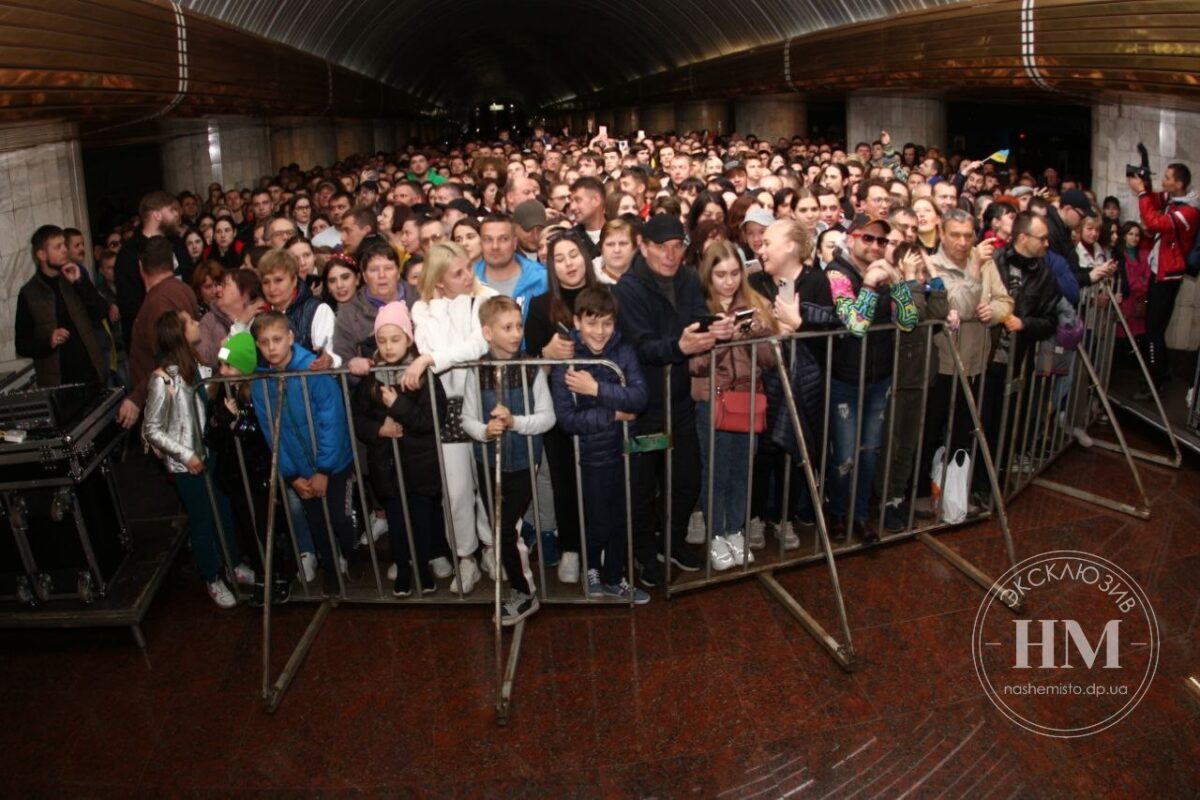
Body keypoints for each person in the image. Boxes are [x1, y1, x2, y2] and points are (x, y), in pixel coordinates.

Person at [613, 214, 734, 587]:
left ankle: (673, 539)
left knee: (686, 478)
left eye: (678, 246)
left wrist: (717, 325)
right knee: (642, 487)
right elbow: (638, 343)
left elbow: (696, 319)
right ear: (644, 246)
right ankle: (646, 554)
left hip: (679, 400)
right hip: (643, 406)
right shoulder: (627, 288)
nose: (671, 254)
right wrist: (677, 346)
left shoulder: (686, 279)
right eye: (662, 247)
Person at [143, 309, 253, 608]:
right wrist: (186, 454)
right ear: (178, 333)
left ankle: (233, 563)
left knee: (224, 509)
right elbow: (151, 428)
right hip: (187, 464)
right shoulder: (162, 379)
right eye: (190, 322)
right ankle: (212, 577)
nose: (196, 323)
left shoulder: (199, 366)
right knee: (202, 520)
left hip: (212, 454)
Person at [403, 242, 497, 592]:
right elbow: (434, 346)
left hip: (482, 401)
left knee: (487, 483)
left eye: (468, 267)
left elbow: (480, 344)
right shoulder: (423, 309)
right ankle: (466, 557)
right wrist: (434, 354)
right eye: (458, 273)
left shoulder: (485, 298)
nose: (469, 276)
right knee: (456, 490)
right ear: (438, 281)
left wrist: (430, 360)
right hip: (446, 407)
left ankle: (492, 548)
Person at [549, 287, 650, 602]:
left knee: (622, 516)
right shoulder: (567, 361)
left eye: (607, 323)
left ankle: (615, 575)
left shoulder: (623, 351)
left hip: (624, 452)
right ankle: (591, 568)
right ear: (577, 322)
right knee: (596, 518)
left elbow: (639, 397)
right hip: (591, 456)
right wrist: (613, 414)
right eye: (592, 323)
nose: (600, 332)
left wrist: (596, 389)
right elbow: (567, 419)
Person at [825, 214, 919, 541]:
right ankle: (836, 513)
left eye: (882, 240)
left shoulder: (887, 273)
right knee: (845, 457)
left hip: (879, 379)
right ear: (851, 237)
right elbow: (855, 324)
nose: (876, 246)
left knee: (869, 453)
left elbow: (908, 321)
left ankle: (861, 515)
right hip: (844, 380)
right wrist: (868, 284)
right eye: (868, 238)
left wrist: (896, 282)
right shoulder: (837, 272)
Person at [462, 296, 555, 625]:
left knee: (504, 530)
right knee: (501, 530)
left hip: (523, 462)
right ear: (488, 332)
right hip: (488, 462)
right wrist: (486, 430)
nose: (516, 333)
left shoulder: (530, 370)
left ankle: (525, 592)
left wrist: (516, 422)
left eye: (518, 326)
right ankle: (521, 588)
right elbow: (467, 420)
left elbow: (547, 418)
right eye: (507, 327)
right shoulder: (477, 372)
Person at [250, 311, 358, 584]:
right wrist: (292, 475)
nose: (271, 347)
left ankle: (351, 552)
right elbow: (270, 432)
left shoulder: (312, 369)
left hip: (334, 463)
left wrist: (324, 469)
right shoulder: (261, 382)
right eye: (264, 342)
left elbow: (331, 420)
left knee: (340, 519)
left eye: (277, 339)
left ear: (290, 337)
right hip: (299, 468)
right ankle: (332, 571)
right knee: (318, 525)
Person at [690, 241, 778, 569]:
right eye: (720, 274)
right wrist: (721, 339)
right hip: (712, 400)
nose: (728, 281)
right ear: (708, 276)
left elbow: (771, 359)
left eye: (734, 274)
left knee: (742, 469)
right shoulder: (699, 308)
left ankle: (734, 530)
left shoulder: (755, 303)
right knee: (715, 470)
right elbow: (694, 365)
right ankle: (715, 534)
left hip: (749, 399)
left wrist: (757, 334)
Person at [352, 301, 448, 597]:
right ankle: (403, 569)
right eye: (382, 340)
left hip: (418, 464)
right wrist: (379, 429)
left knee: (421, 518)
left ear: (408, 339)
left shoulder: (422, 375)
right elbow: (358, 417)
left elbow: (431, 420)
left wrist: (398, 405)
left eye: (395, 339)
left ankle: (422, 568)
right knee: (396, 521)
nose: (389, 346)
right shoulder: (371, 376)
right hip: (388, 466)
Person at [523, 231, 601, 583]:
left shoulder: (607, 295)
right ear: (550, 265)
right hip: (559, 409)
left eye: (574, 255)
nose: (569, 263)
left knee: (601, 478)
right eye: (560, 258)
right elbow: (525, 362)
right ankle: (571, 546)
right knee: (564, 479)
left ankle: (599, 546)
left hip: (600, 402)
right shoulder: (541, 306)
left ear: (584, 257)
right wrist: (546, 355)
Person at [878, 243, 949, 531]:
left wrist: (932, 273)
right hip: (898, 379)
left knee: (908, 445)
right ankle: (884, 500)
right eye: (914, 269)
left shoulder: (918, 286)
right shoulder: (897, 290)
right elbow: (914, 316)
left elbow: (940, 312)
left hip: (920, 378)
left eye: (922, 270)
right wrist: (909, 280)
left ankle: (897, 496)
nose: (920, 276)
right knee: (891, 446)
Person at [1129, 162, 1200, 393]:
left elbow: (1153, 222)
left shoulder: (1188, 211)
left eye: (1168, 177)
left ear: (1179, 183)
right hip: (1160, 272)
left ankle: (1153, 383)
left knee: (1153, 333)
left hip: (1167, 278)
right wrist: (1144, 184)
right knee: (1155, 330)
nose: (1164, 181)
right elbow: (1154, 200)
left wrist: (1141, 192)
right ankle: (1161, 372)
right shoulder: (1174, 199)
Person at [118, 237, 199, 428]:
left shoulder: (158, 303)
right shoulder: (183, 289)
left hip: (167, 407)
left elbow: (170, 358)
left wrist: (137, 398)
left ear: (140, 266)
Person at [16, 225, 110, 387]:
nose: (64, 250)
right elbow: (22, 345)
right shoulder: (28, 293)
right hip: (58, 384)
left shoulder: (75, 276)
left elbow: (102, 312)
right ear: (42, 254)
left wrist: (80, 284)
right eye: (58, 247)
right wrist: (48, 342)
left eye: (64, 245)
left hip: (92, 374)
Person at [115, 190, 188, 343]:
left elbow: (189, 279)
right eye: (172, 210)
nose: (177, 214)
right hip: (151, 339)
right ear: (157, 215)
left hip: (185, 331)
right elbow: (129, 304)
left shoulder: (177, 243)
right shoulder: (130, 253)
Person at [258, 249, 340, 369]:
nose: (271, 288)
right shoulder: (260, 316)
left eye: (278, 280)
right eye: (266, 282)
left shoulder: (318, 310)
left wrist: (329, 360)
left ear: (294, 280)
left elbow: (331, 354)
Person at [334, 243, 408, 372]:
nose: (382, 275)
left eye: (388, 268)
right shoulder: (348, 315)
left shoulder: (419, 300)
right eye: (373, 270)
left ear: (398, 272)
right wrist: (351, 364)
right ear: (364, 277)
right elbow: (341, 361)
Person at [473, 214, 547, 328]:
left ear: (515, 243)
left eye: (503, 239)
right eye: (488, 239)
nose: (495, 246)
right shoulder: (468, 279)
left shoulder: (541, 279)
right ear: (481, 244)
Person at [594, 217, 638, 285]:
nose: (617, 250)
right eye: (610, 244)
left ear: (634, 247)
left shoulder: (648, 277)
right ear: (601, 248)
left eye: (623, 243)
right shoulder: (589, 277)